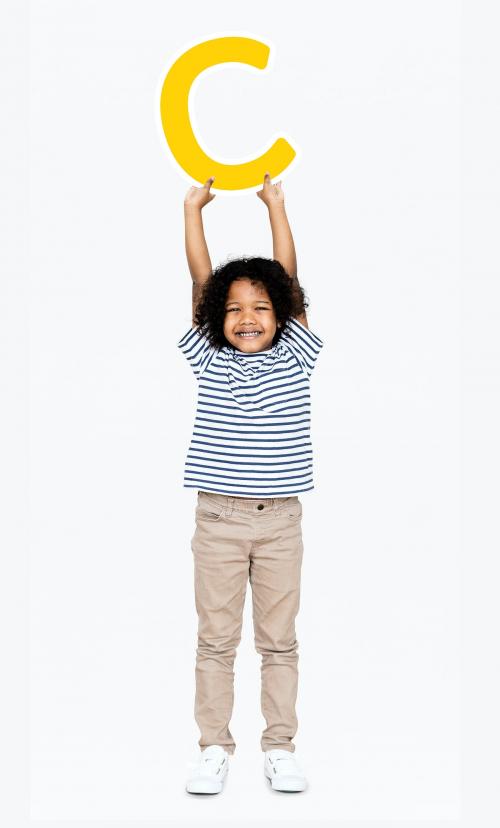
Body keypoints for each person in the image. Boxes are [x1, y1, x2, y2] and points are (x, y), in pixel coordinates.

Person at [178, 173, 323, 794]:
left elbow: (287, 281)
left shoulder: (296, 353)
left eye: (261, 308)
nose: (247, 317)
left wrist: (276, 207)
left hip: (280, 522)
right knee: (215, 639)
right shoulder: (209, 355)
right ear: (217, 317)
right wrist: (193, 211)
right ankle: (214, 747)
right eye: (234, 308)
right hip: (218, 520)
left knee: (279, 640)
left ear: (283, 317)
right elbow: (199, 282)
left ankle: (280, 746)